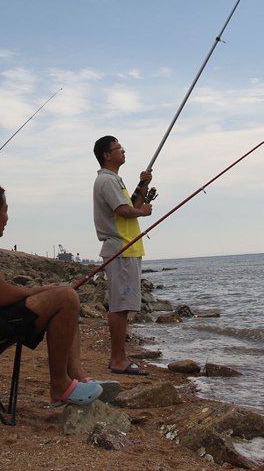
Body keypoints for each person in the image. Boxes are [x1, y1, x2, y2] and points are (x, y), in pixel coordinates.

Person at [0, 180, 104, 405]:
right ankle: (60, 387)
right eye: (5, 210)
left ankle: (76, 377)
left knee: (66, 299)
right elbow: (4, 296)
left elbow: (0, 295)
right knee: (66, 298)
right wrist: (48, 290)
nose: (7, 217)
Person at [92, 135, 154, 376]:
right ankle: (118, 359)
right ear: (107, 155)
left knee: (123, 306)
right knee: (120, 306)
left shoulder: (115, 180)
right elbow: (124, 210)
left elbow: (130, 204)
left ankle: (120, 357)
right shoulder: (107, 181)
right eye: (118, 148)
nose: (123, 150)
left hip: (128, 248)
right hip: (121, 249)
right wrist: (144, 211)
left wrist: (143, 184)